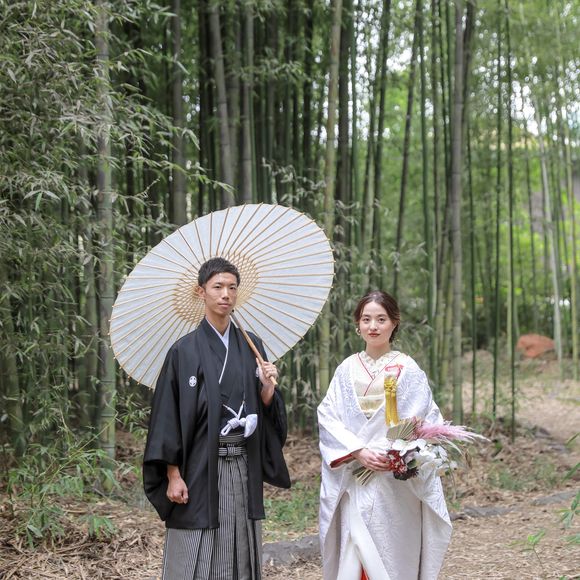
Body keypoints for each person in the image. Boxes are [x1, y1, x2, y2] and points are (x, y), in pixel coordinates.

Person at [143, 257, 290, 580]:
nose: (226, 294)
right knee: (196, 539)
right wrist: (173, 474)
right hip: (199, 465)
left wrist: (267, 389)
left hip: (242, 462)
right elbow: (167, 416)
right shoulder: (183, 351)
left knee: (240, 540)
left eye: (232, 287)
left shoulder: (252, 345)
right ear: (201, 292)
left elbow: (265, 408)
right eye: (218, 287)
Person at [317, 290, 452, 580]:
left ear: (394, 323)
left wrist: (396, 453)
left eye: (381, 319)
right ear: (357, 324)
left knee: (392, 553)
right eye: (366, 319)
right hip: (356, 473)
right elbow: (328, 416)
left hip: (394, 479)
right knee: (355, 548)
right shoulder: (346, 369)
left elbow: (423, 418)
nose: (373, 326)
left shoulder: (408, 368)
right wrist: (358, 451)